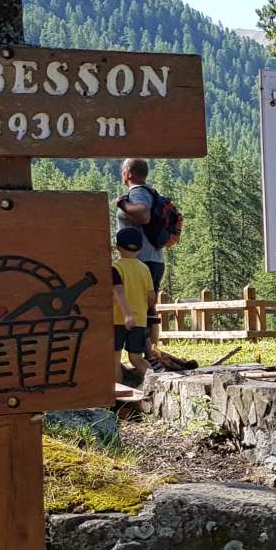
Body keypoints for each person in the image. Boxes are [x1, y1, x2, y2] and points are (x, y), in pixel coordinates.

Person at [113, 158, 166, 344]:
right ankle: (151, 351)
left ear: (128, 173)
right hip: (155, 258)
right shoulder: (150, 191)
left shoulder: (137, 192)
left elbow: (143, 215)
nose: (122, 174)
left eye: (123, 170)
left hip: (141, 259)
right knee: (149, 307)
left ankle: (145, 351)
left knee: (139, 306)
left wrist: (122, 204)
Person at [109, 226, 157, 384]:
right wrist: (142, 310)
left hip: (118, 319)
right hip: (139, 320)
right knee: (136, 358)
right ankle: (157, 384)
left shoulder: (115, 267)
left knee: (114, 360)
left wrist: (127, 315)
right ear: (141, 248)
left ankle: (117, 392)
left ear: (117, 247)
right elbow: (151, 296)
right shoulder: (144, 268)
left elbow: (118, 291)